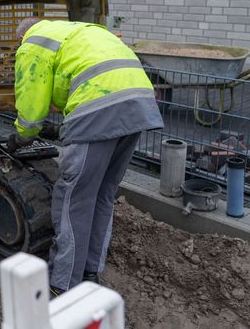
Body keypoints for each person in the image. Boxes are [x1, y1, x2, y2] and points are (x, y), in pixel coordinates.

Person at [9, 18, 163, 298]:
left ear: (22, 36)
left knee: (75, 198)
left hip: (99, 107)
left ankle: (63, 284)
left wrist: (20, 137)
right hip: (139, 103)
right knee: (102, 194)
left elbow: (31, 109)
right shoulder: (75, 31)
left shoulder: (32, 44)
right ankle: (91, 272)